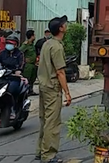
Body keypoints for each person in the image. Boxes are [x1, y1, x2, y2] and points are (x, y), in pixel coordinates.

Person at [36, 16, 72, 163]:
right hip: (52, 88)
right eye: (64, 24)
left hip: (43, 86)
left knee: (44, 120)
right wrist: (67, 93)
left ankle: (40, 151)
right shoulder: (57, 47)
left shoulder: (47, 44)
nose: (66, 26)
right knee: (52, 122)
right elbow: (60, 72)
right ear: (61, 28)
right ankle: (48, 155)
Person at [0, 33, 25, 120]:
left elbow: (22, 64)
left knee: (10, 90)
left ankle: (13, 109)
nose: (9, 45)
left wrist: (19, 71)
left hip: (14, 78)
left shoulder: (20, 54)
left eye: (11, 43)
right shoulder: (2, 53)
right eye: (8, 43)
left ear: (16, 45)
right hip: (3, 77)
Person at [20, 30, 38, 95]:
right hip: (28, 65)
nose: (35, 36)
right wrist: (24, 59)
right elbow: (20, 52)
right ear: (32, 36)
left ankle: (31, 90)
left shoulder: (32, 45)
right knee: (27, 78)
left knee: (32, 78)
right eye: (34, 35)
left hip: (33, 64)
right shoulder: (26, 44)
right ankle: (25, 91)